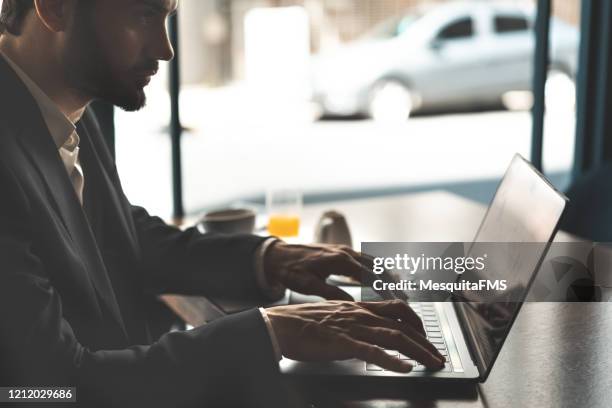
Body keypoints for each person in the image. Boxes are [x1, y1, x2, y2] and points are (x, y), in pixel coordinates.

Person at [0, 0, 444, 406]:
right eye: (144, 15)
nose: (166, 49)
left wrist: (268, 259)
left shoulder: (63, 105)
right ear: (55, 8)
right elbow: (54, 385)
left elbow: (115, 233)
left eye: (168, 18)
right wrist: (271, 332)